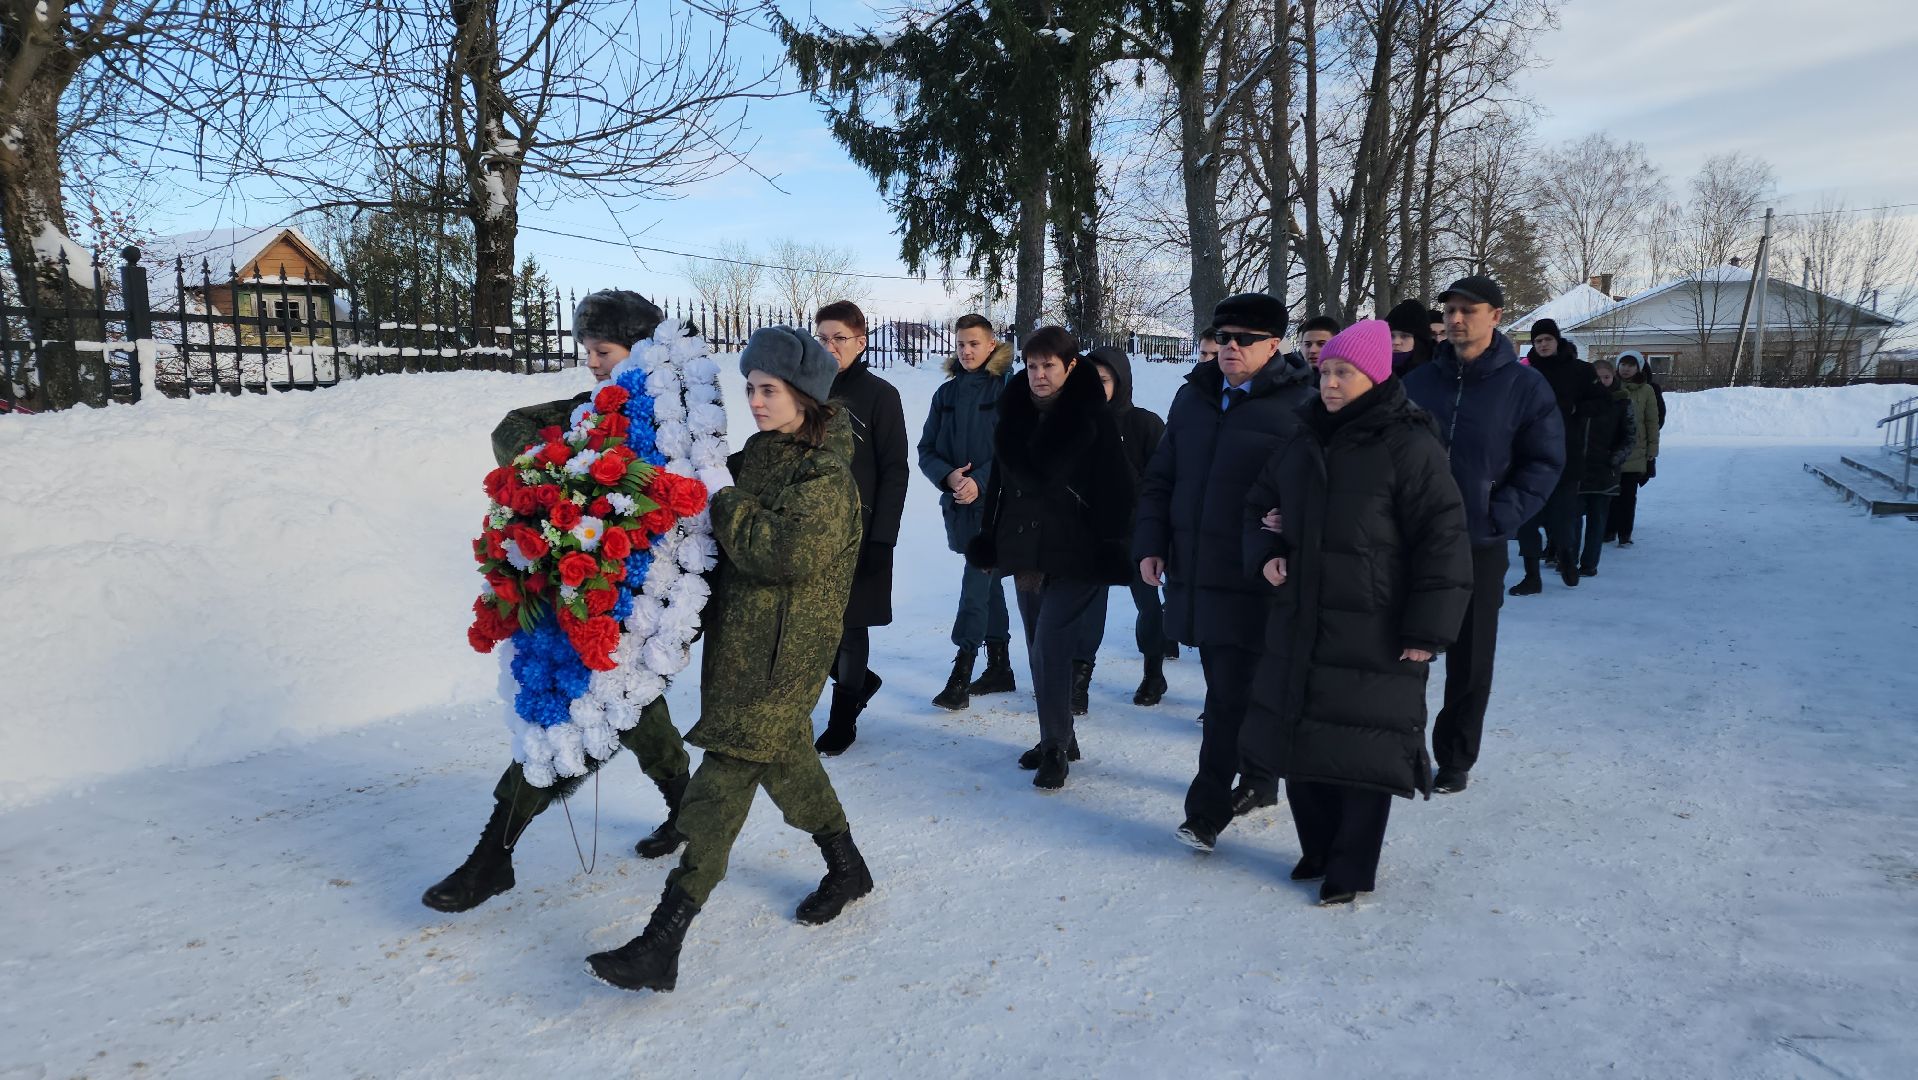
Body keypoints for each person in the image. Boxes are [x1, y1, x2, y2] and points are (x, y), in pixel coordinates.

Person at [587, 327, 871, 993]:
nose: (756, 401)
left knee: (722, 782)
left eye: (768, 389)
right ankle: (847, 865)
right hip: (742, 644)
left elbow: (780, 553)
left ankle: (663, 940)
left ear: (805, 394)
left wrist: (723, 495)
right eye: (750, 389)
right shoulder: (758, 456)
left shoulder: (827, 477)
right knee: (786, 758)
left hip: (784, 656)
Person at [424, 290, 695, 915]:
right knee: (631, 712)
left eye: (604, 352)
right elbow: (510, 433)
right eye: (588, 351)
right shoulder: (588, 416)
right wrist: (561, 461)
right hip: (579, 603)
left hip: (631, 604)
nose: (592, 363)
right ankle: (684, 808)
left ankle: (491, 858)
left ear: (641, 353)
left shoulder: (668, 423)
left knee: (567, 724)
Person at [1241, 320, 1472, 905]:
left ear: (1375, 376)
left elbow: (1443, 541)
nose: (1330, 383)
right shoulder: (1302, 437)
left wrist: (1428, 629)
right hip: (1302, 617)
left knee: (1366, 749)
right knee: (1301, 740)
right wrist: (1267, 551)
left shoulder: (1408, 445)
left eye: (1344, 372)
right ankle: (1318, 849)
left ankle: (1352, 866)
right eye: (1325, 372)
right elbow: (1258, 506)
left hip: (1376, 624)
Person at [1134, 292, 1316, 851]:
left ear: (1274, 345)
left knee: (1230, 696)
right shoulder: (1193, 397)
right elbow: (1161, 478)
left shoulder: (1302, 404)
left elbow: (1325, 488)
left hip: (1260, 574)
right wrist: (1151, 542)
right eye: (1222, 337)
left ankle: (1207, 811)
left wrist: (1292, 524)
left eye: (1244, 339)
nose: (1229, 347)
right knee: (1228, 688)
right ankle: (1260, 779)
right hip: (1198, 570)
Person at [1402, 275, 1563, 795]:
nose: (1455, 319)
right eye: (1449, 310)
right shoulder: (1418, 382)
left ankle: (1455, 757)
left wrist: (1499, 514)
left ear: (1495, 316)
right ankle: (1404, 750)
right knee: (1405, 649)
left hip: (1479, 541)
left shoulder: (1524, 387)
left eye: (1468, 310)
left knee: (1470, 658)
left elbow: (1544, 461)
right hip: (1414, 539)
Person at [967, 326, 1135, 789]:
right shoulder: (1014, 413)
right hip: (1027, 551)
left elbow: (1119, 489)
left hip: (1079, 552)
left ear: (1070, 366)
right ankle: (1060, 737)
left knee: (1050, 645)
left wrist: (1111, 544)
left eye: (1049, 366)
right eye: (1032, 365)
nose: (1039, 374)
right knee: (1036, 645)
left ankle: (1055, 747)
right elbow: (999, 486)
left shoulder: (1092, 417)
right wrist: (988, 538)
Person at [812, 301, 909, 755]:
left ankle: (842, 719)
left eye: (840, 338)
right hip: (811, 530)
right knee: (813, 626)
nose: (830, 347)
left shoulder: (880, 395)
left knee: (850, 626)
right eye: (823, 338)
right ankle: (860, 682)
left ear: (861, 342)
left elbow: (895, 470)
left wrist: (883, 540)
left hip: (862, 532)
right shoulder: (805, 391)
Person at [918, 315, 1018, 711]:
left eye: (974, 343)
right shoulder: (945, 395)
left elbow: (1017, 449)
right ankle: (1000, 666)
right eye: (961, 344)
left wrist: (980, 481)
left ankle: (961, 672)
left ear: (991, 345)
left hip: (997, 505)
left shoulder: (1008, 389)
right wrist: (948, 478)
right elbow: (926, 450)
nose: (966, 351)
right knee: (988, 584)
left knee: (975, 583)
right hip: (959, 505)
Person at [1081, 346, 1170, 707]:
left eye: (1102, 380)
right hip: (1093, 534)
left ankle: (1153, 672)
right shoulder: (1077, 423)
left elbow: (1162, 481)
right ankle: (1080, 678)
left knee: (1147, 604)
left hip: (1137, 532)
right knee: (1087, 609)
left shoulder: (1144, 424)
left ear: (1120, 382)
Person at [1508, 319, 1607, 596]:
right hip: (1527, 455)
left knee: (1563, 516)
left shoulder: (1580, 370)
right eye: (1538, 341)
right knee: (1527, 518)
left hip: (1565, 454)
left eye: (1547, 339)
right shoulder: (1523, 372)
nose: (1542, 345)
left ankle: (1566, 556)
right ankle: (1532, 576)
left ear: (1557, 340)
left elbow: (1603, 401)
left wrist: (1576, 408)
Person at [1574, 357, 1636, 575]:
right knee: (1572, 518)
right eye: (1597, 378)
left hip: (1605, 471)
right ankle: (1568, 561)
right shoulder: (1579, 400)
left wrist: (1614, 458)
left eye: (1606, 377)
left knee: (1597, 519)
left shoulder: (1621, 402)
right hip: (1578, 470)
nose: (1602, 381)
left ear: (1613, 377)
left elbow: (1630, 436)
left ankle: (1589, 564)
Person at [1611, 352, 1662, 546]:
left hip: (1636, 450)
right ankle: (1608, 530)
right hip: (1612, 449)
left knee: (1628, 495)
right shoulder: (1610, 385)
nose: (1626, 369)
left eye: (1631, 365)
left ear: (1638, 368)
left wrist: (1652, 449)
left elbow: (1652, 421)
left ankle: (1625, 534)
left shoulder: (1647, 390)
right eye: (1623, 364)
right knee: (1609, 494)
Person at [1384, 298, 1434, 377]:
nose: (1396, 342)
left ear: (1419, 340)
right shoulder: (1373, 373)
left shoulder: (1435, 375)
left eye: (1404, 336)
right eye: (1391, 335)